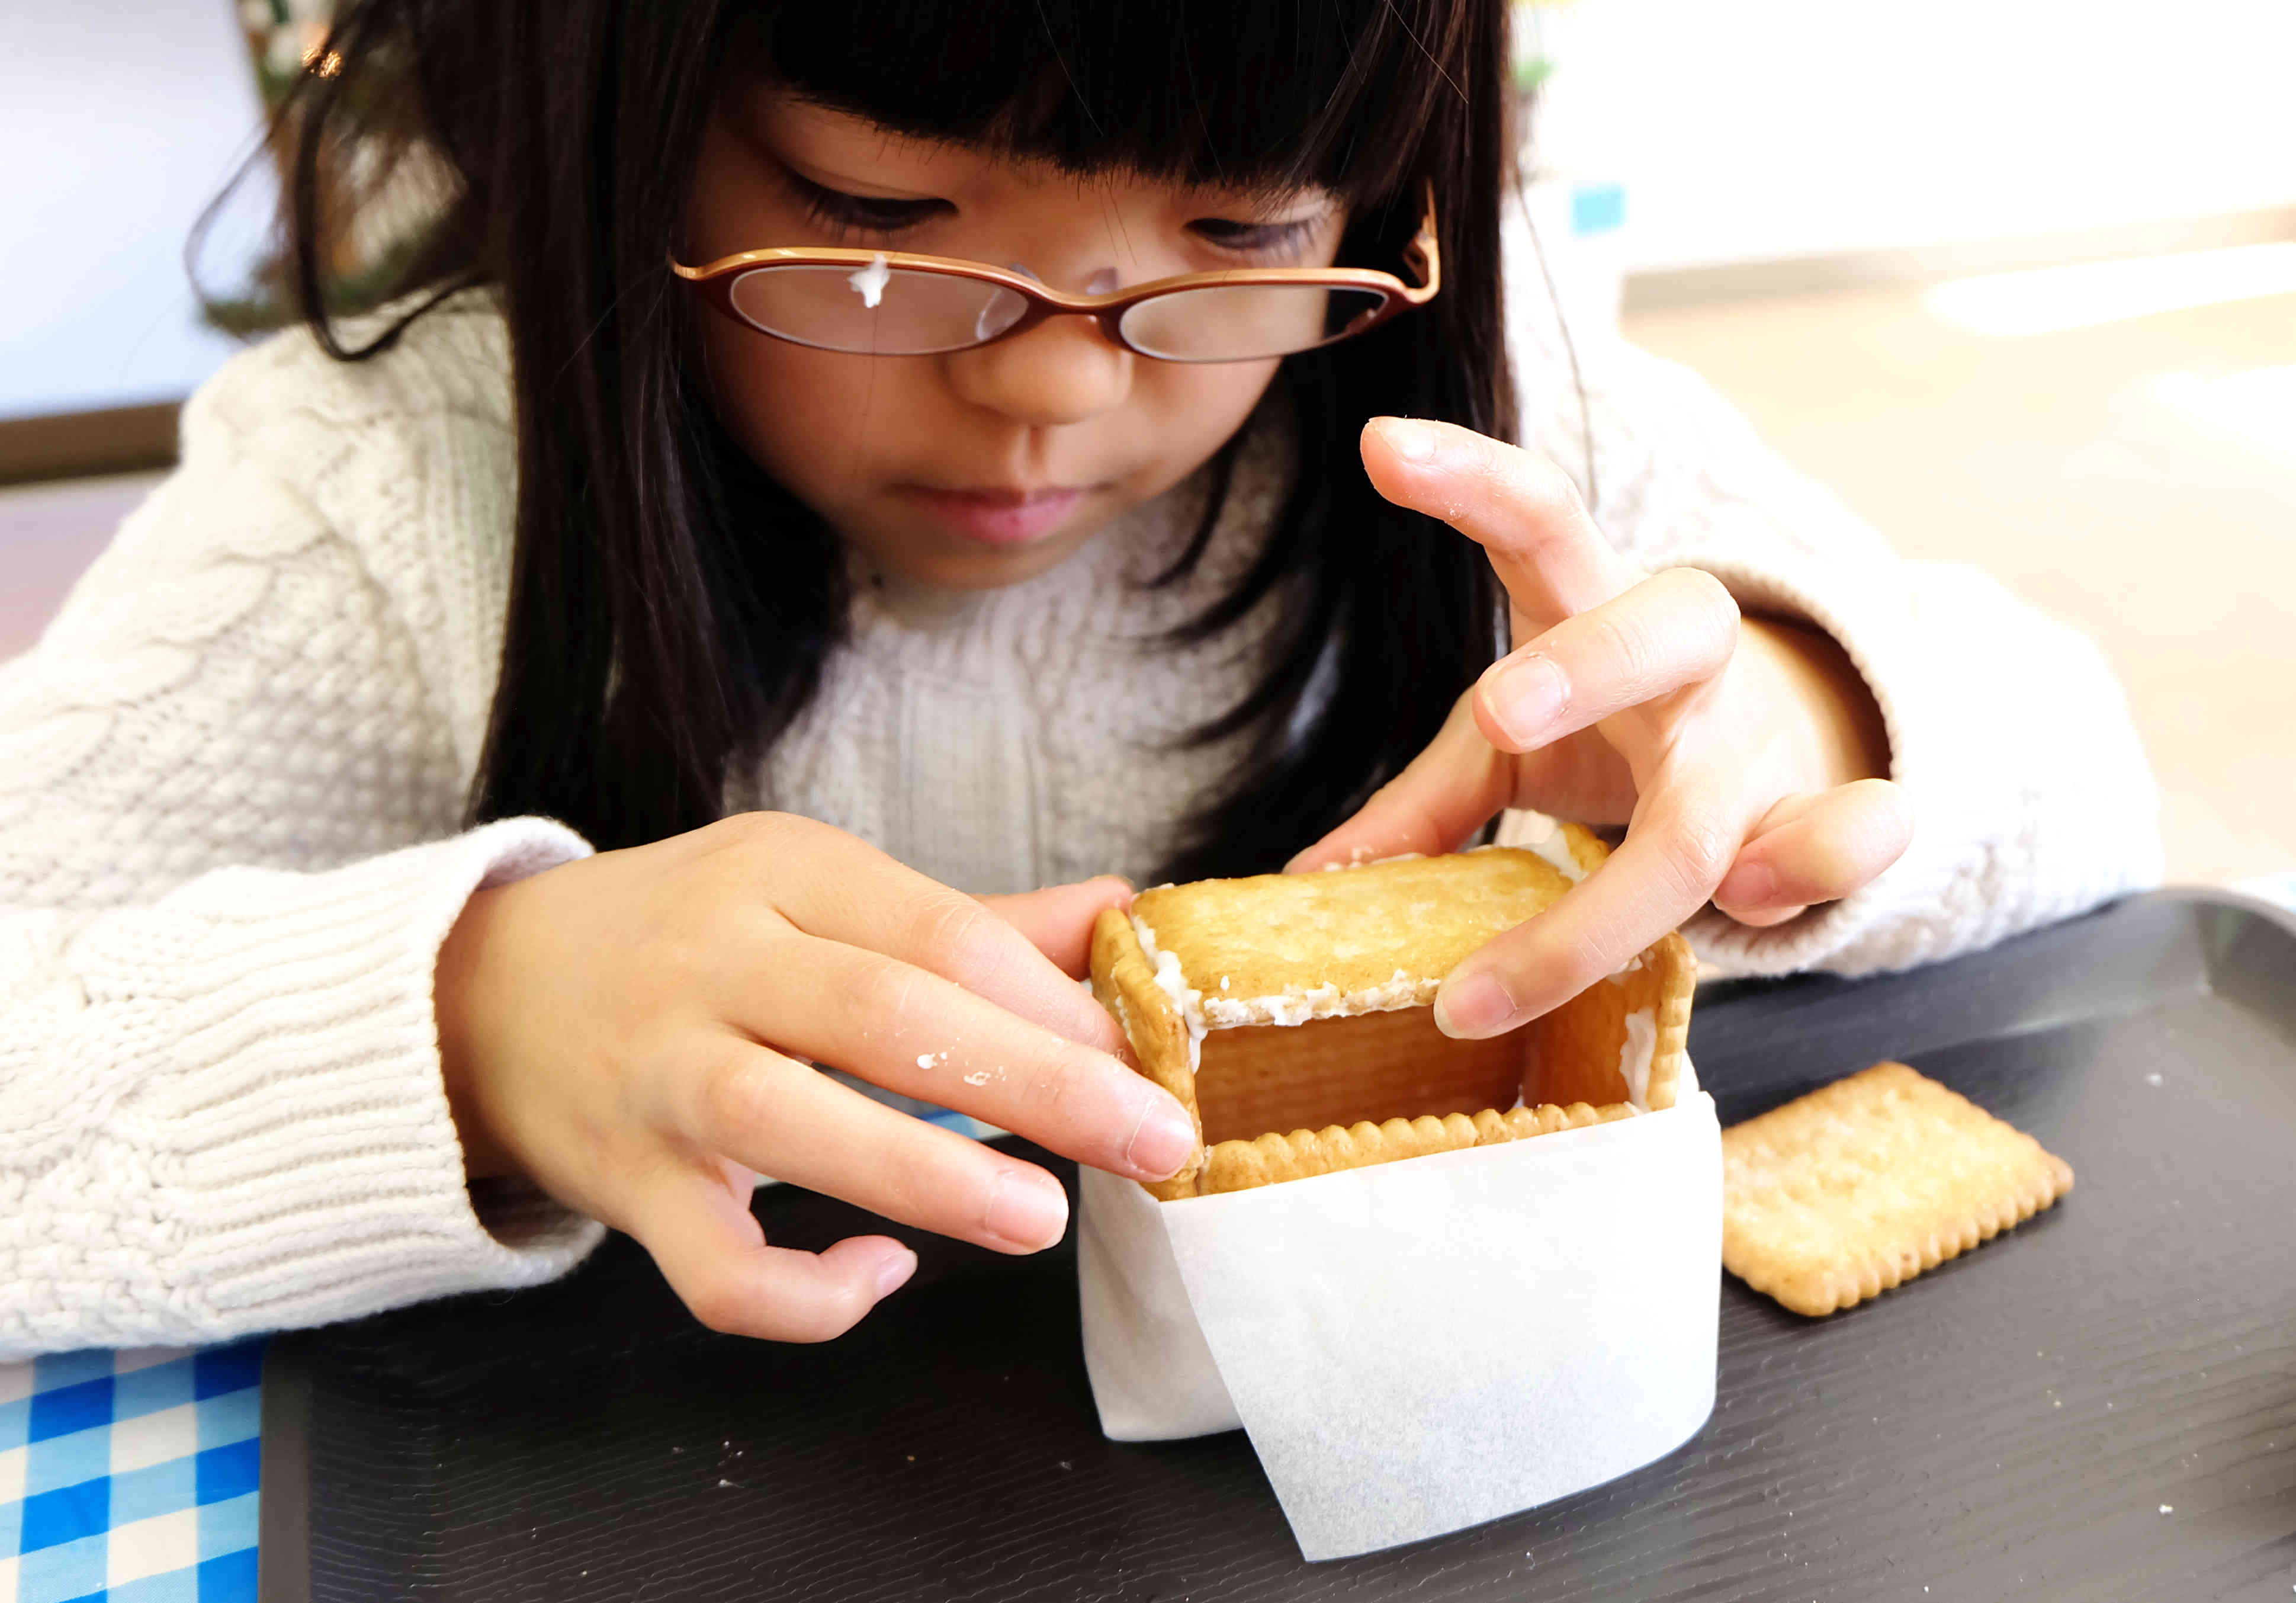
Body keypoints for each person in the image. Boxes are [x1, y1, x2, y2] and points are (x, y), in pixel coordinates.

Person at [0, 0, 2156, 1360]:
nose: (1048, 382)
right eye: (876, 212)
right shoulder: (391, 493)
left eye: (1228, 236)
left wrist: (1807, 710)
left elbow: (2094, 778)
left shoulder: (1484, 410)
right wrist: (479, 1017)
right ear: (616, 94)